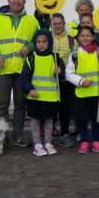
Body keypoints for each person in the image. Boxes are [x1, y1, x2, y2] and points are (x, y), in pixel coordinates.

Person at [0, 0, 40, 147]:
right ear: (8, 0)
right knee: (2, 104)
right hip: (3, 69)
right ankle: (2, 136)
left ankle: (18, 135)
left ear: (25, 1)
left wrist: (29, 47)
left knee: (20, 104)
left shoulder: (32, 21)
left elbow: (38, 40)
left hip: (23, 69)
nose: (17, 1)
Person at [64, 24, 99, 154]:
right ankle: (85, 141)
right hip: (82, 93)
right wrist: (80, 81)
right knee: (82, 119)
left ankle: (96, 141)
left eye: (88, 35)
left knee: (97, 118)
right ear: (78, 38)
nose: (85, 38)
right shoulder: (74, 55)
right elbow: (68, 73)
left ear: (92, 37)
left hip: (98, 92)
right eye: (82, 36)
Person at [20, 29, 64, 157]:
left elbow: (62, 76)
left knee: (49, 120)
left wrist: (59, 72)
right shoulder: (31, 58)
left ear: (49, 42)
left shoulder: (55, 57)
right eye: (38, 42)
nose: (41, 44)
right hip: (35, 97)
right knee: (35, 121)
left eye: (44, 41)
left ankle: (48, 143)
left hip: (50, 97)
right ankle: (38, 145)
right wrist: (30, 89)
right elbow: (24, 77)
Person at [50, 13, 76, 147]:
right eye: (55, 23)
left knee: (65, 109)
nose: (58, 26)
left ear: (64, 23)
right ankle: (50, 134)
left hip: (65, 79)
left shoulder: (71, 40)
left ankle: (65, 133)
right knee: (51, 109)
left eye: (60, 23)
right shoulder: (47, 38)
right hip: (50, 80)